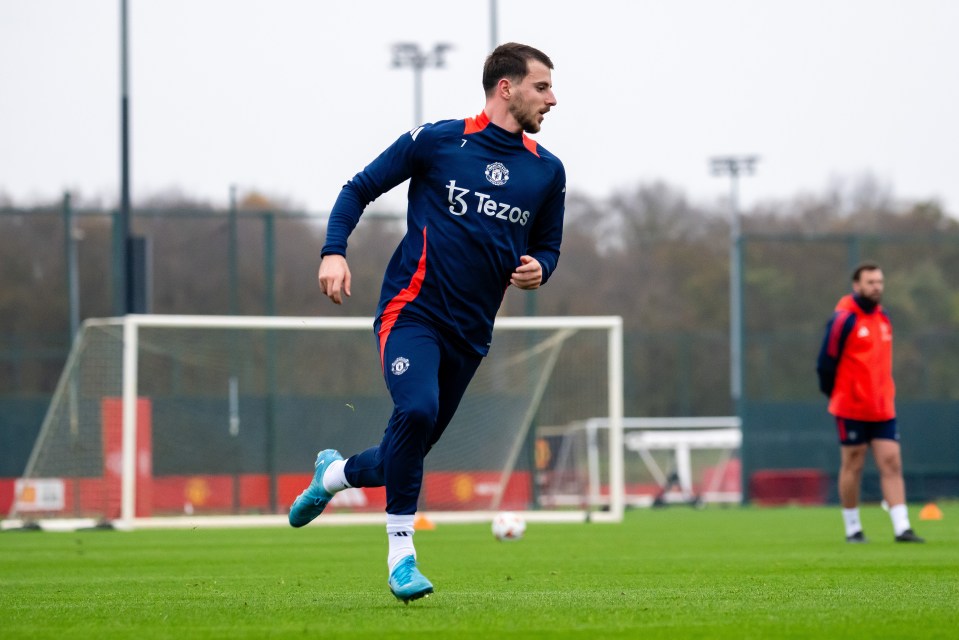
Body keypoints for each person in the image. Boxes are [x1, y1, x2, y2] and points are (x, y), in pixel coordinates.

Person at [288, 42, 565, 602]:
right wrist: (333, 250)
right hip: (410, 313)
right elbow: (357, 188)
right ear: (505, 88)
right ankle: (401, 557)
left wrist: (542, 268)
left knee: (401, 456)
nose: (553, 99)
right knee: (416, 410)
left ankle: (333, 475)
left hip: (470, 334)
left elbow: (549, 246)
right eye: (542, 86)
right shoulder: (438, 141)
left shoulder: (547, 172)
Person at [816, 261, 924, 544]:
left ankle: (902, 527)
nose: (876, 287)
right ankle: (853, 528)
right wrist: (838, 393)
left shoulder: (883, 318)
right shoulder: (843, 319)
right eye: (870, 282)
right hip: (851, 405)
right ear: (857, 286)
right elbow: (826, 362)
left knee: (891, 462)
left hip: (882, 406)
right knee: (853, 464)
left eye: (880, 282)